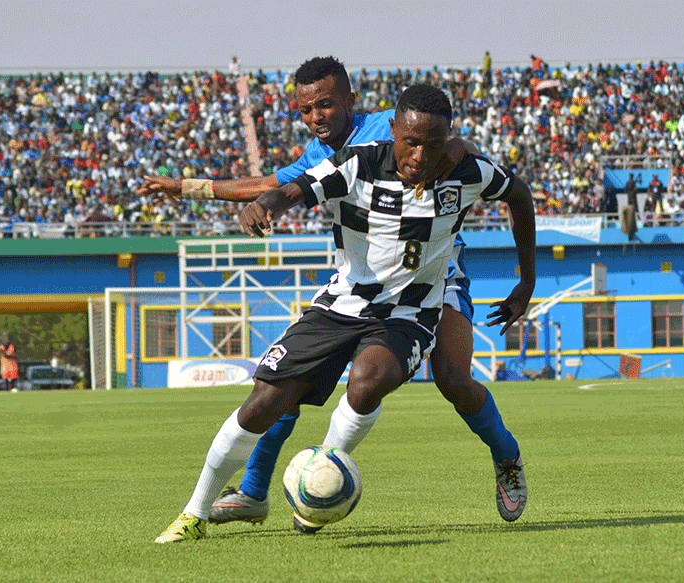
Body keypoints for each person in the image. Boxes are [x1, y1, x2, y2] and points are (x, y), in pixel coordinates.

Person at [142, 57, 531, 534]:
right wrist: (189, 188)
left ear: (351, 101)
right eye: (306, 110)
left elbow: (454, 146)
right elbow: (272, 187)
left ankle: (505, 456)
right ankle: (259, 489)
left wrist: (457, 148)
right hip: (360, 281)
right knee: (288, 385)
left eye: (325, 105)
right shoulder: (328, 159)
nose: (316, 117)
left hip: (435, 273)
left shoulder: (389, 128)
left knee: (451, 377)